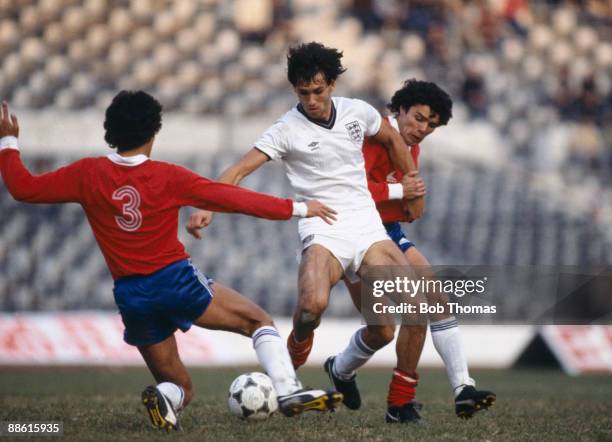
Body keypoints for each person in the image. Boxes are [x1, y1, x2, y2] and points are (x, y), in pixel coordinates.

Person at [0, 92, 342, 432]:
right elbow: (233, 198)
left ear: (111, 131)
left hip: (131, 296)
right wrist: (298, 207)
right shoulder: (168, 176)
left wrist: (9, 141)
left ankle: (164, 398)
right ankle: (288, 391)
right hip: (174, 281)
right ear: (153, 133)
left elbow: (23, 188)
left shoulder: (87, 173)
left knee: (182, 388)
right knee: (258, 321)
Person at [187, 42, 427, 412]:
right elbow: (238, 169)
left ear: (331, 84)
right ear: (294, 90)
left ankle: (401, 403)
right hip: (322, 229)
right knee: (313, 304)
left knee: (415, 307)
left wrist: (410, 182)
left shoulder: (356, 112)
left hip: (366, 228)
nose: (312, 99)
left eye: (318, 91)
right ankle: (294, 358)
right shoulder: (285, 129)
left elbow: (393, 139)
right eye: (303, 93)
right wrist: (207, 204)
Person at [344, 79, 496, 423]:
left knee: (432, 298)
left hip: (385, 232)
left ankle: (460, 389)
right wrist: (401, 192)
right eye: (418, 118)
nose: (423, 128)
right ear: (400, 109)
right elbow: (353, 190)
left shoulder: (410, 142)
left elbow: (405, 200)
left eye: (431, 124)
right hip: (351, 233)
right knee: (381, 330)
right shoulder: (375, 134)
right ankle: (337, 369)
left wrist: (409, 203)